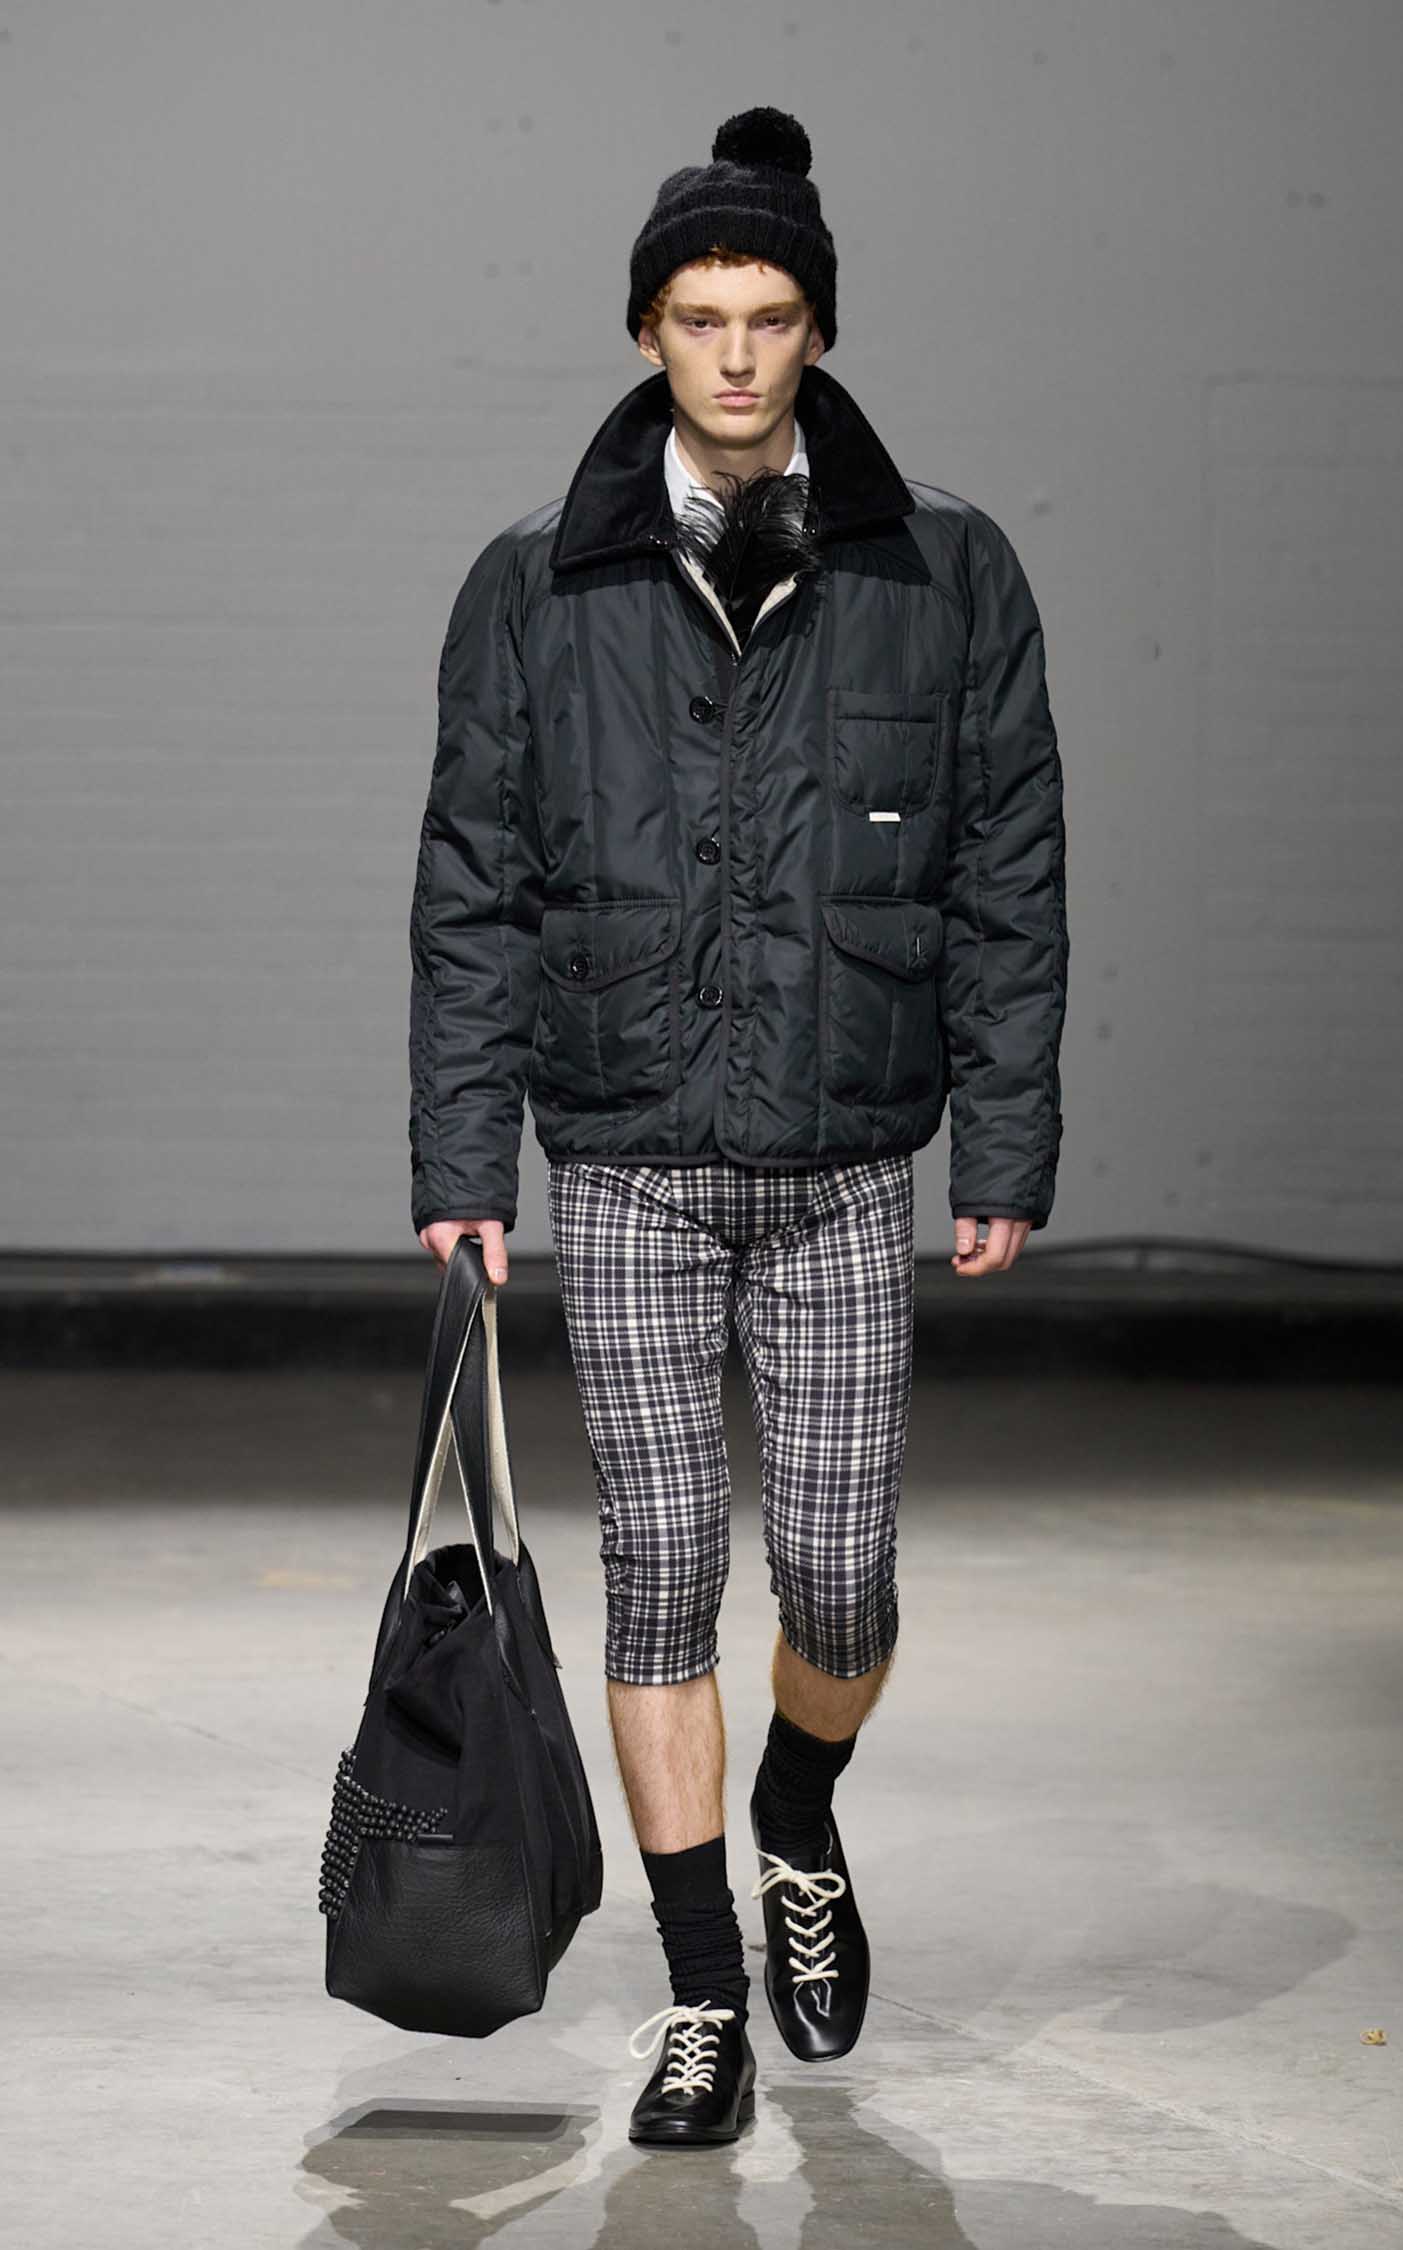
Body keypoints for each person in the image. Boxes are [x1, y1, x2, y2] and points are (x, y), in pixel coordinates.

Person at [407, 105, 1069, 2148]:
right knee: (663, 1584)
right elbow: (474, 882)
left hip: (848, 1158)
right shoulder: (537, 582)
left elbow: (1010, 868)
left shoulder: (943, 569)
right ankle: (705, 1994)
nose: (736, 353)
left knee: (845, 1589)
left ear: (818, 331)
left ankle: (799, 1811)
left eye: (770, 316)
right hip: (624, 1154)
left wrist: (1006, 1142)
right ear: (646, 333)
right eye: (699, 317)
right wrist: (464, 1159)